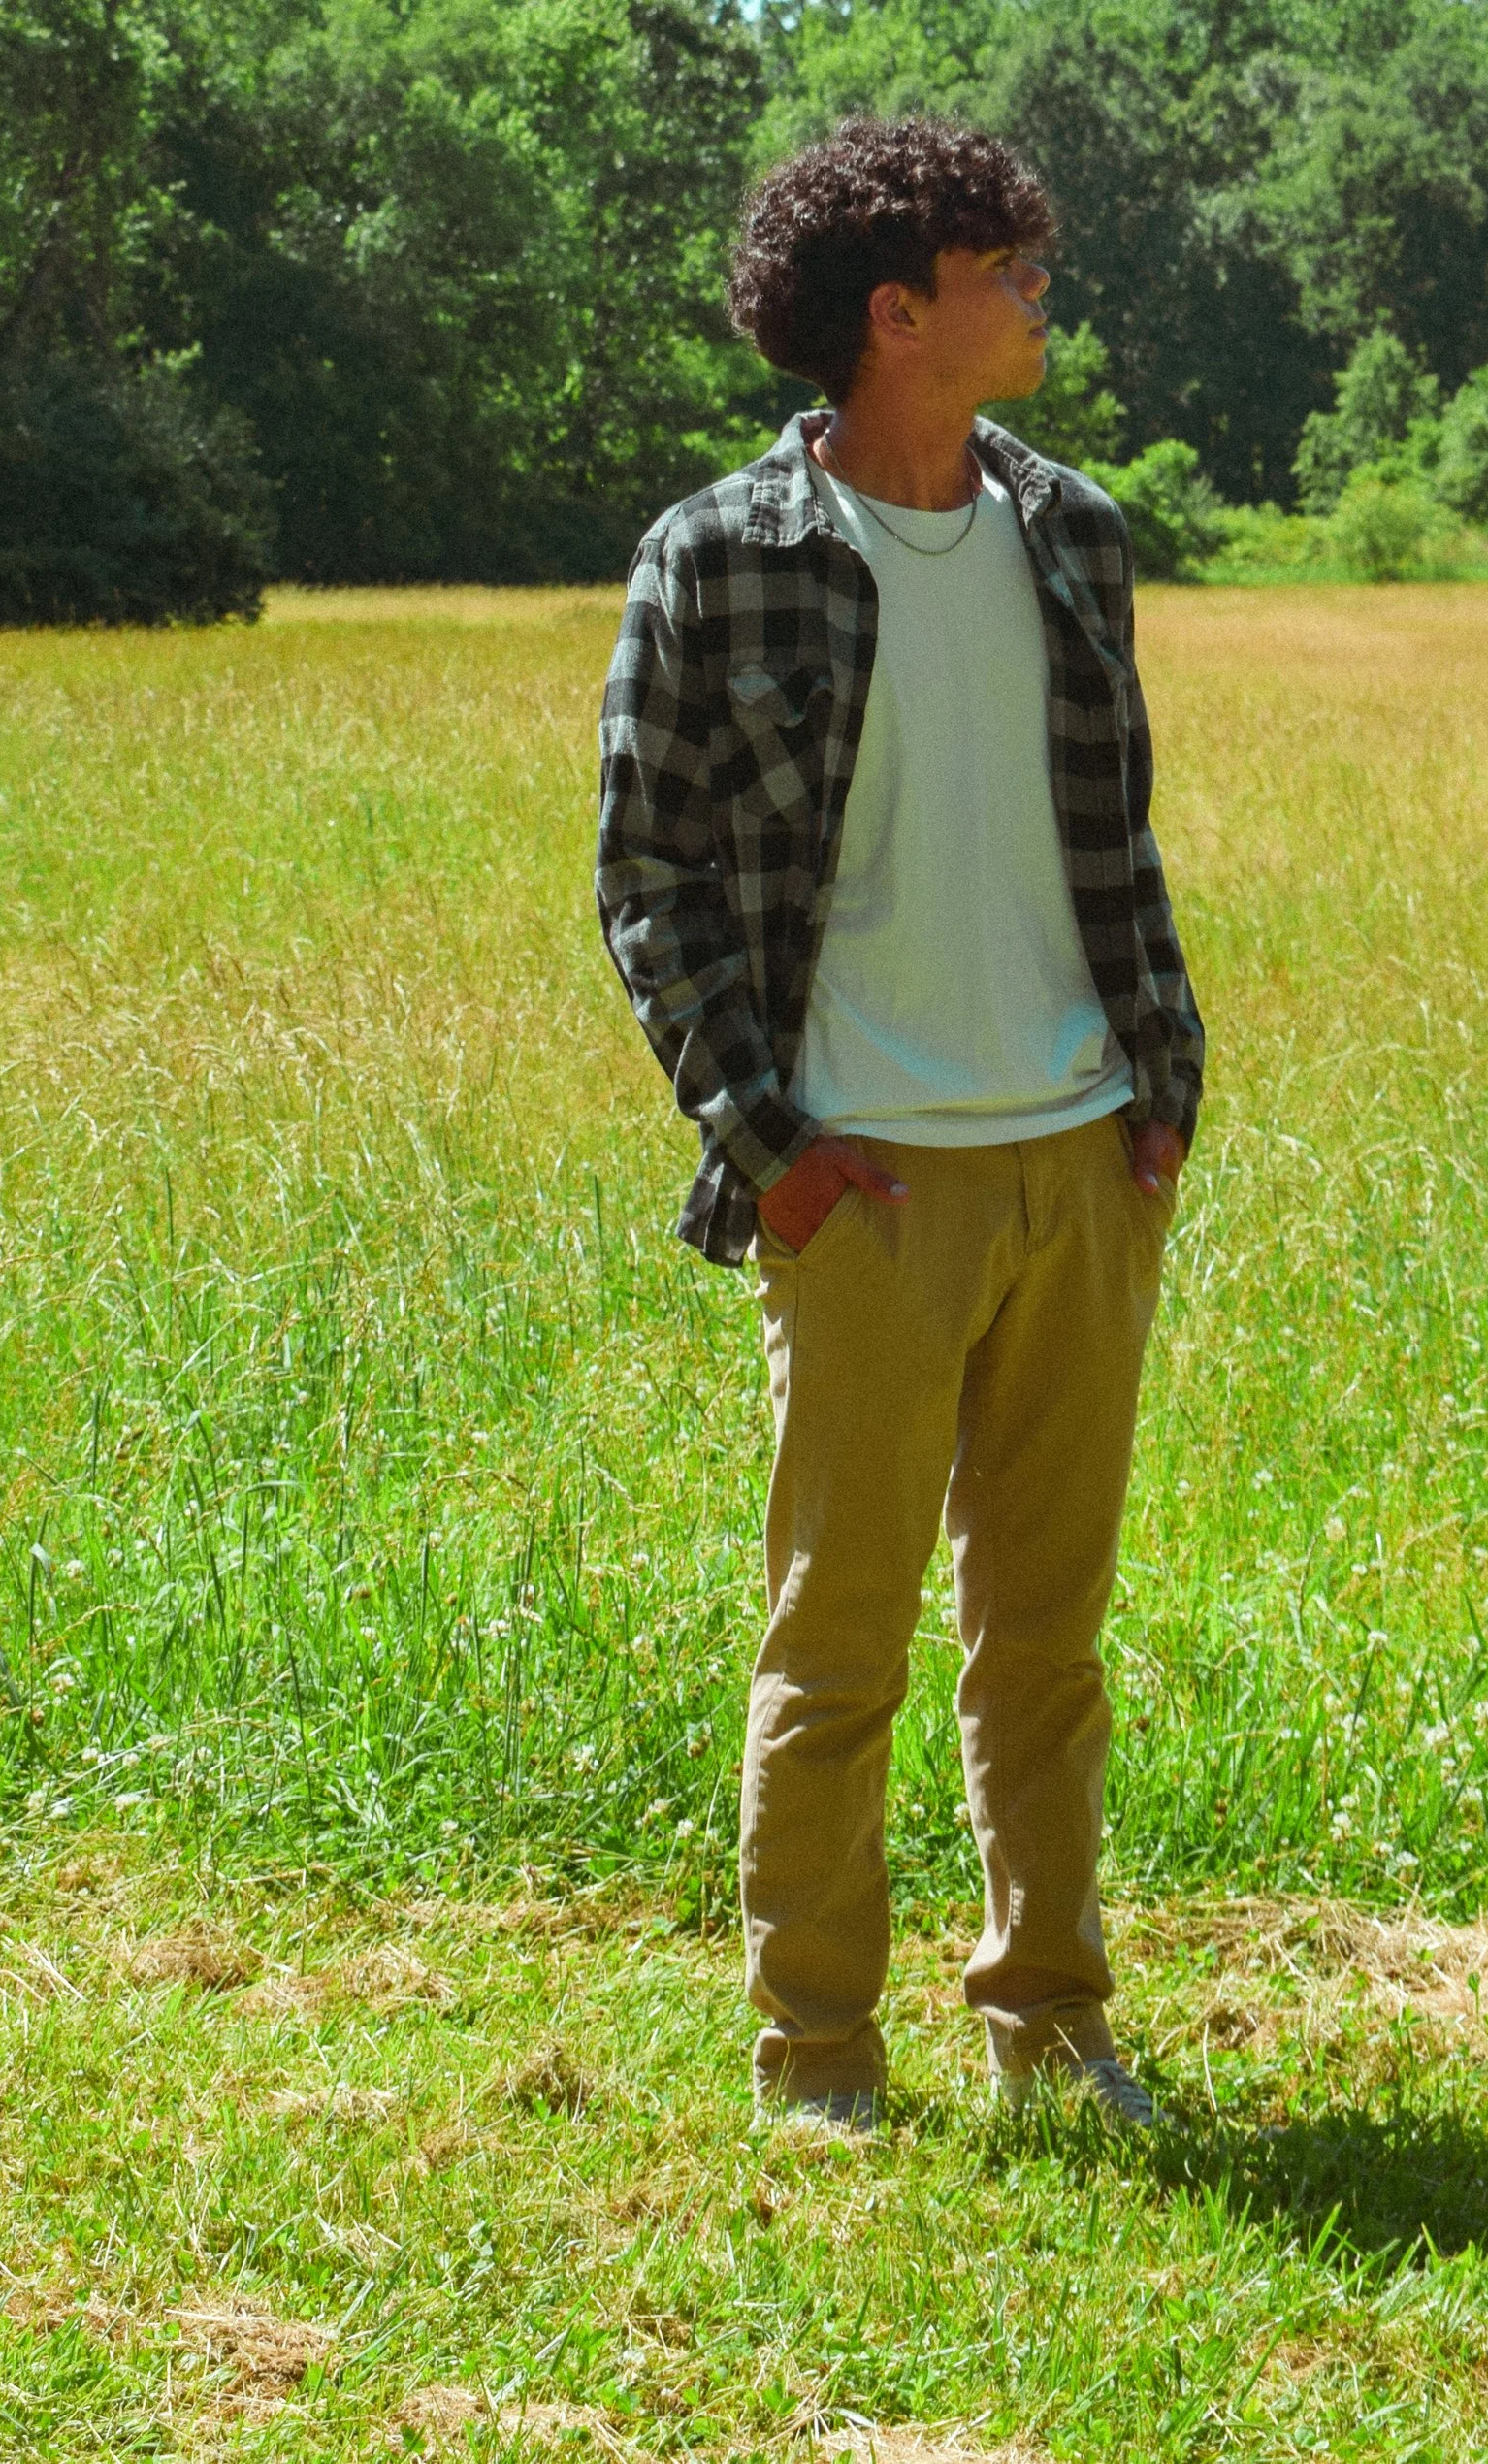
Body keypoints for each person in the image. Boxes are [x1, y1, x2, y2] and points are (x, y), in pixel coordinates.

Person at [597, 114, 1205, 2130]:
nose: (1038, 293)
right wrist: (771, 1152)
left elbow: (1118, 839)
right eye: (1002, 269)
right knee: (838, 1643)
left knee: (1048, 1646)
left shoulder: (1073, 533)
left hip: (1080, 1157)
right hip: (859, 1178)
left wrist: (1158, 1090)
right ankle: (819, 2054)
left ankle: (1052, 2021)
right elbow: (647, 880)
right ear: (894, 313)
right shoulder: (720, 556)